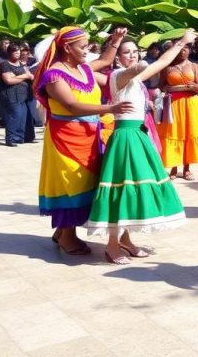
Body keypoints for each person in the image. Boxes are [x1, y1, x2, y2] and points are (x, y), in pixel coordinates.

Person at [86, 32, 192, 264]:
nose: (132, 56)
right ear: (117, 57)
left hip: (137, 135)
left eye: (135, 51)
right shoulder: (118, 76)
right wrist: (141, 62)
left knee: (135, 186)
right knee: (122, 188)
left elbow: (162, 62)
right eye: (127, 52)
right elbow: (140, 68)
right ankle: (112, 245)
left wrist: (183, 42)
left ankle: (126, 239)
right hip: (125, 137)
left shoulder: (134, 77)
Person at [34, 26, 131, 256]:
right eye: (83, 47)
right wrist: (110, 107)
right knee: (71, 184)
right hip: (65, 137)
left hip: (89, 135)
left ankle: (62, 232)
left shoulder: (83, 68)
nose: (87, 51)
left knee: (87, 184)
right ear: (67, 48)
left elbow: (107, 59)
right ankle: (67, 236)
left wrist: (116, 39)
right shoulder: (54, 75)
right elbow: (71, 105)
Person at [158, 42, 198, 180]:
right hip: (174, 104)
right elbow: (161, 86)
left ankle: (187, 169)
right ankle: (173, 168)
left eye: (186, 49)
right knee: (174, 134)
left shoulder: (194, 66)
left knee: (189, 134)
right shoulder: (168, 67)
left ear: (189, 51)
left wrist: (194, 86)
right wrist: (172, 89)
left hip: (191, 104)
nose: (183, 51)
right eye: (181, 49)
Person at [0, 44, 36, 147]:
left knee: (23, 116)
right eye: (15, 52)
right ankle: (11, 139)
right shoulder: (5, 64)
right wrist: (24, 76)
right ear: (9, 53)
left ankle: (21, 137)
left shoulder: (21, 64)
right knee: (14, 116)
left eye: (19, 52)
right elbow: (8, 80)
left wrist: (21, 76)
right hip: (10, 94)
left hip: (23, 94)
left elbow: (30, 76)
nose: (18, 54)